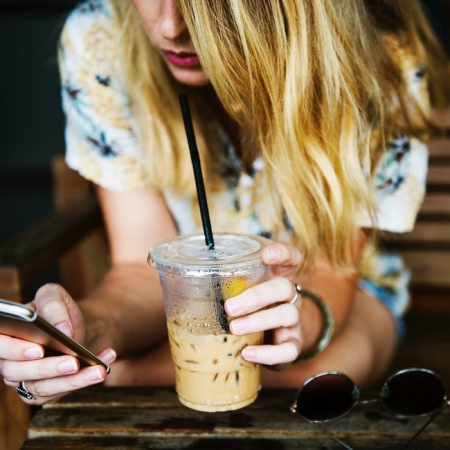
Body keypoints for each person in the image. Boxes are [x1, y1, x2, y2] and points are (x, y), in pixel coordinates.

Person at [1, 0, 449, 406]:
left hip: (337, 287)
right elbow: (140, 272)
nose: (171, 26)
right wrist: (85, 333)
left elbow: (333, 270)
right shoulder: (101, 40)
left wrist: (297, 324)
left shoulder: (381, 60)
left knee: (318, 375)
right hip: (186, 301)